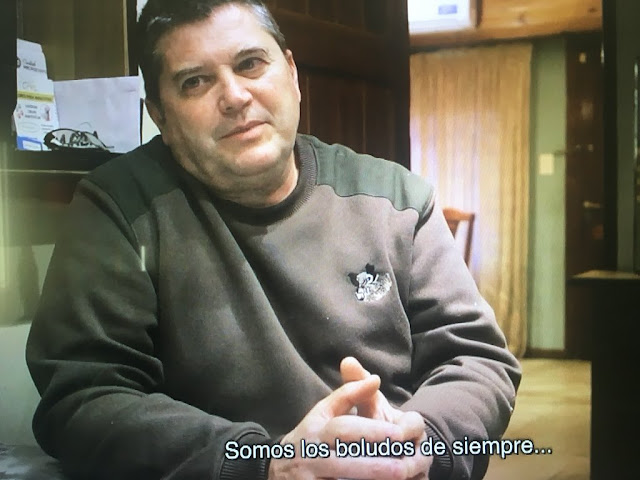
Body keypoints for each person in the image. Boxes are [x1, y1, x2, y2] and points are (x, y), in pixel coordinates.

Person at [26, 1, 521, 479]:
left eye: (250, 64)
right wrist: (266, 463)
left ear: (292, 75)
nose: (234, 96)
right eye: (195, 81)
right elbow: (83, 398)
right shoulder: (118, 207)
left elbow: (476, 358)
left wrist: (424, 441)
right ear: (160, 116)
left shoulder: (397, 198)